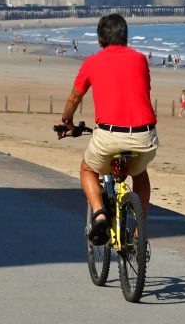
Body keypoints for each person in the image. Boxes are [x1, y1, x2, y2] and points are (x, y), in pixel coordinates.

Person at [58, 14, 158, 246]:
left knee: (87, 169)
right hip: (144, 135)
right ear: (125, 36)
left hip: (109, 136)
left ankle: (100, 213)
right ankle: (139, 231)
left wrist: (66, 121)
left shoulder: (92, 63)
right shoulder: (140, 59)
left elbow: (74, 98)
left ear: (100, 39)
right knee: (140, 173)